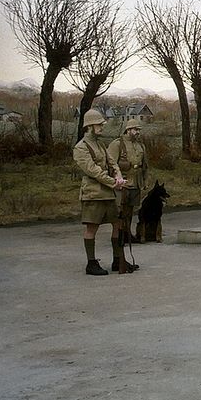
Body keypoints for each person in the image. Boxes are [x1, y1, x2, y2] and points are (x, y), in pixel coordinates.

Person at [73, 109, 127, 276]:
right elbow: (93, 171)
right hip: (93, 193)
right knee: (92, 228)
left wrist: (118, 176)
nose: (103, 126)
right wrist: (114, 183)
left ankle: (118, 260)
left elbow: (112, 163)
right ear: (90, 126)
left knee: (117, 224)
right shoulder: (81, 147)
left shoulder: (101, 144)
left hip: (109, 192)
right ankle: (91, 263)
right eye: (99, 124)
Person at [106, 118, 146, 273]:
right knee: (119, 221)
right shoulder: (118, 144)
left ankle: (123, 257)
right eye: (135, 129)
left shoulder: (139, 145)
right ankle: (118, 258)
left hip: (135, 185)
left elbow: (144, 165)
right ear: (128, 129)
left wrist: (144, 180)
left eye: (138, 130)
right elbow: (110, 165)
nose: (137, 132)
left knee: (128, 219)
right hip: (121, 187)